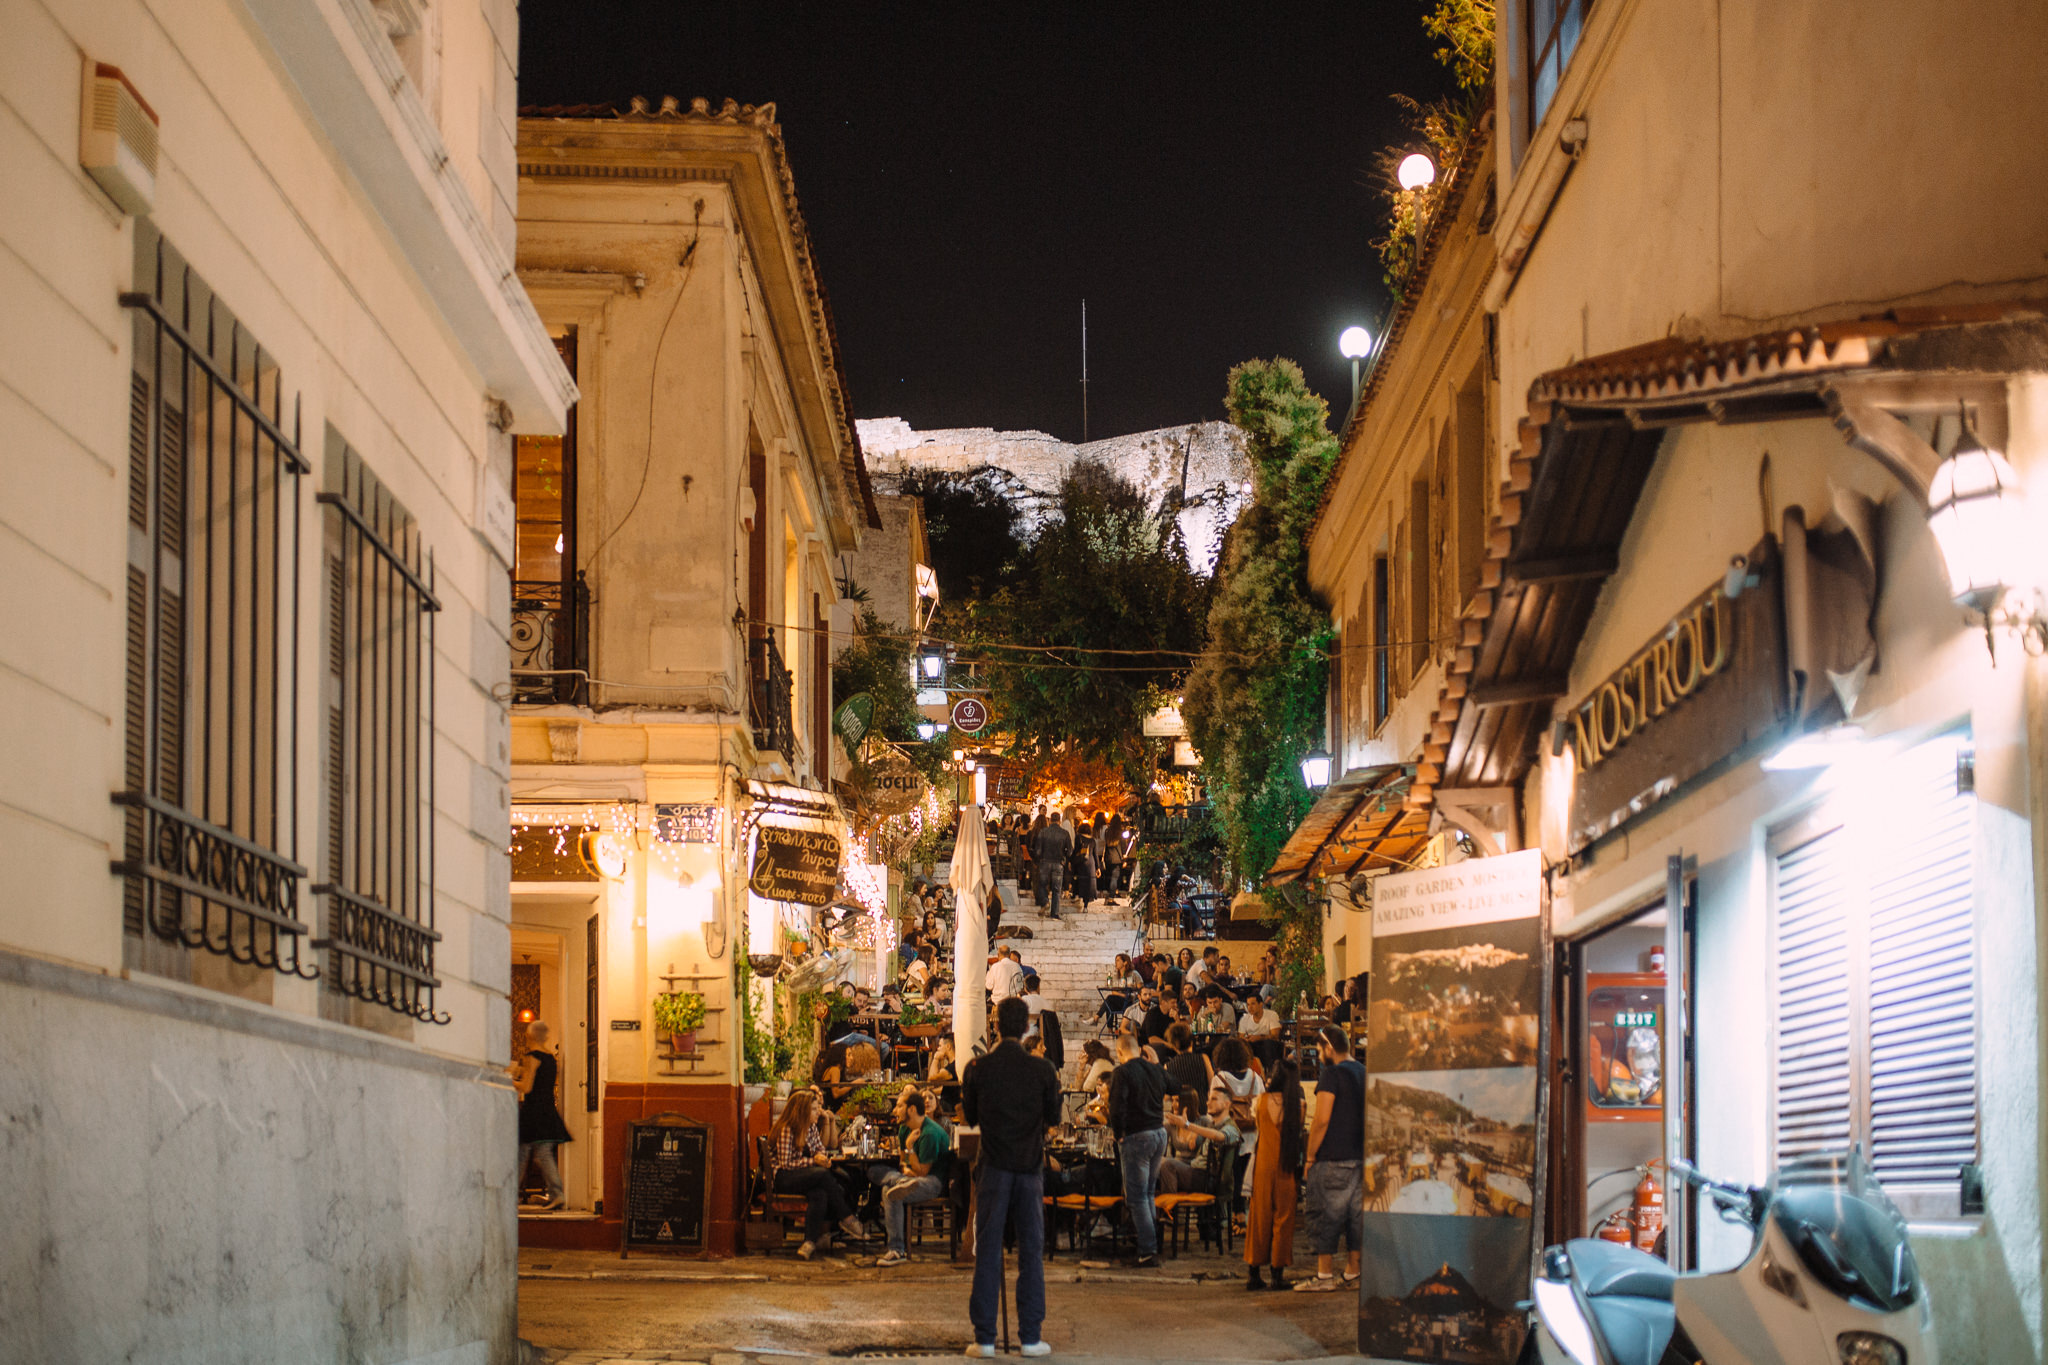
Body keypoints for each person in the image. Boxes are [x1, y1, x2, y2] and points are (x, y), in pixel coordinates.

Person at [961, 996, 1062, 1358]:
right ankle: (1030, 1337)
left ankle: (985, 1338)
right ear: (1027, 1027)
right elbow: (1052, 1118)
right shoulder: (1043, 1070)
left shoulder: (977, 1068)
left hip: (994, 1167)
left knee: (988, 1250)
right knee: (1031, 1251)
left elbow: (971, 1117)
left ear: (995, 1024)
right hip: (1030, 1166)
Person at [1295, 1026, 1366, 1292]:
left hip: (1333, 1157)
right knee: (1354, 1219)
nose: (1318, 1055)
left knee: (1325, 1215)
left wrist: (1310, 1156)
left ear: (1328, 1048)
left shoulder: (1332, 1074)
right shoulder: (1363, 1072)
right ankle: (1353, 1272)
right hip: (1360, 1157)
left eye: (1318, 1050)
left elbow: (1322, 1118)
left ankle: (1324, 1276)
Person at [767, 1089, 867, 1260]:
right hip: (784, 1177)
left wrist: (822, 1157)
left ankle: (810, 1242)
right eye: (814, 1109)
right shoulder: (787, 1129)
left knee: (819, 1193)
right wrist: (814, 1162)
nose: (818, 1112)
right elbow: (786, 1164)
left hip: (804, 1174)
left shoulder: (811, 1127)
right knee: (822, 1175)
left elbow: (820, 1148)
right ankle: (847, 1217)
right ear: (802, 1110)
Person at [1107, 1032, 1170, 1268]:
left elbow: (1116, 1106)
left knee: (1136, 1196)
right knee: (1148, 1193)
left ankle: (1147, 1250)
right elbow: (1173, 1085)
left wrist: (1119, 1133)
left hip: (1137, 1137)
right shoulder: (1154, 1069)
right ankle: (1151, 1244)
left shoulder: (1121, 1072)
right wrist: (1157, 1065)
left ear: (1120, 1052)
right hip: (1158, 1134)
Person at [1245, 1057, 1304, 1291]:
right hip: (1286, 1165)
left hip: (1262, 1164)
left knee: (1259, 1217)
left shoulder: (1260, 1102)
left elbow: (1259, 1128)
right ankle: (1277, 1275)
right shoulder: (1297, 1106)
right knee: (1284, 1218)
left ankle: (1254, 1273)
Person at [873, 1087, 951, 1267]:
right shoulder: (904, 1129)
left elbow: (923, 1172)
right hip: (909, 1178)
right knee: (874, 1171)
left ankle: (896, 1250)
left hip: (933, 1183)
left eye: (899, 1106)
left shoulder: (930, 1133)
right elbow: (903, 1162)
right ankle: (899, 1182)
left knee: (888, 1190)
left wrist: (909, 1147)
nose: (895, 1110)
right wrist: (905, 1170)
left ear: (912, 1110)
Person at [514, 1021, 571, 1211]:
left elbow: (527, 1087)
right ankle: (557, 1194)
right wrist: (518, 1073)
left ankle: (509, 1195)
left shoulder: (533, 1056)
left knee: (522, 1155)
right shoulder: (549, 1058)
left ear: (529, 1036)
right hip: (547, 1111)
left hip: (532, 1113)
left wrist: (507, 1080)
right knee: (543, 1154)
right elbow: (540, 1081)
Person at [1029, 813, 1073, 919]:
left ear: (1050, 820)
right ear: (1059, 820)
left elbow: (1038, 851)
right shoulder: (1065, 833)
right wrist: (1064, 858)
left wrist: (1037, 859)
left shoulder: (1043, 832)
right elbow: (1070, 851)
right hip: (1058, 863)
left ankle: (1045, 901)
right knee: (1056, 889)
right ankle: (1055, 913)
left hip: (1045, 862)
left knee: (1042, 884)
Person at [1163, 1021, 1211, 1096]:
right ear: (1191, 1041)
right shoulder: (1203, 1058)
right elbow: (1212, 1085)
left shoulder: (1168, 1066)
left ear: (1173, 1046)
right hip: (1202, 1105)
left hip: (1181, 1106)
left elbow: (1167, 1096)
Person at [1071, 819, 1098, 909]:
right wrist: (1098, 868)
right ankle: (1086, 905)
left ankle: (1076, 895)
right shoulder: (1093, 840)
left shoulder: (1078, 837)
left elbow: (1075, 851)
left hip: (1081, 861)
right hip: (1091, 863)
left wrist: (1071, 861)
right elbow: (1095, 854)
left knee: (1079, 880)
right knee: (1089, 883)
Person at [1102, 813, 1125, 898]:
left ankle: (1113, 891)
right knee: (1115, 877)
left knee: (1110, 876)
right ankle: (1112, 895)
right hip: (1117, 858)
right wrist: (1124, 857)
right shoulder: (1120, 833)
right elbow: (1123, 846)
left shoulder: (1107, 832)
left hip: (1108, 857)